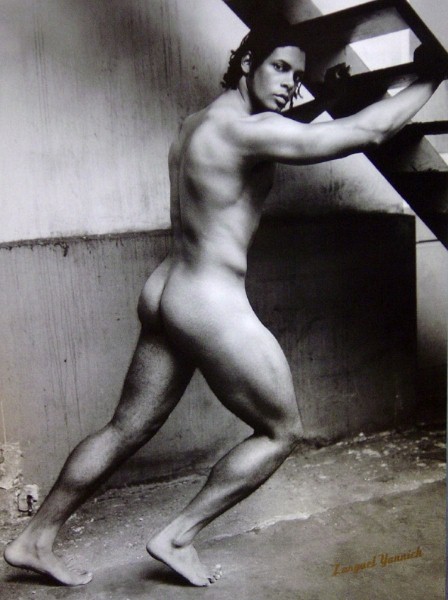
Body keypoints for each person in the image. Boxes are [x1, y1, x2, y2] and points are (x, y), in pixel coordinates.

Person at [4, 19, 444, 588]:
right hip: (209, 299)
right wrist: (430, 74)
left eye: (298, 77)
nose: (290, 84)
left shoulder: (197, 125)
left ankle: (35, 538)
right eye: (280, 68)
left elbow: (256, 149)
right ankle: (177, 535)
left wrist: (321, 102)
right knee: (282, 432)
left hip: (166, 288)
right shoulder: (249, 133)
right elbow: (369, 131)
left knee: (124, 428)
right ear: (247, 63)